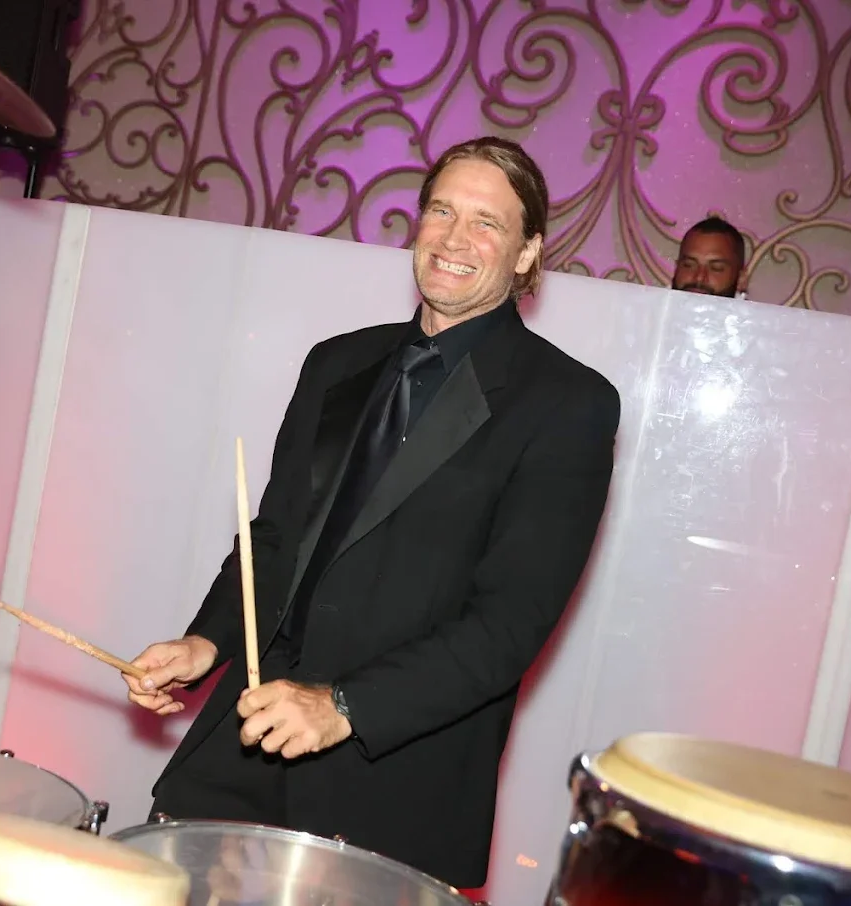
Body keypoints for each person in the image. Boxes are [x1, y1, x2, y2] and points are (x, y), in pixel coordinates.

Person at [122, 136, 621, 889]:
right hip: (244, 745)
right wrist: (205, 644)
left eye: (487, 223)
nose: (455, 239)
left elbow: (508, 625)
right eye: (441, 211)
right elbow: (276, 540)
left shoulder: (568, 404)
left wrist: (343, 707)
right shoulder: (337, 362)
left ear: (527, 254)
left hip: (392, 781)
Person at [671, 216, 745, 298]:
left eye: (716, 268)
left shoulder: (756, 311)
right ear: (676, 268)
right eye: (688, 265)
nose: (699, 277)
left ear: (741, 279)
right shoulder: (655, 307)